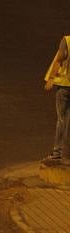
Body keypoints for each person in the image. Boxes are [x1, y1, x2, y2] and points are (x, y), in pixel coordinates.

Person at [43, 33, 70, 165]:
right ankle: (66, 153)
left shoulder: (67, 40)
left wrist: (51, 78)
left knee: (61, 119)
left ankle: (57, 153)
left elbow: (60, 58)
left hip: (65, 87)